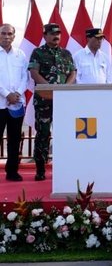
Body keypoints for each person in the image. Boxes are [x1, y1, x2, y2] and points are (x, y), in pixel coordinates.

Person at [29, 23, 76, 181]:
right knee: (43, 134)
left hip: (63, 101)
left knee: (65, 134)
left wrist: (66, 88)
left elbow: (73, 72)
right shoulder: (38, 53)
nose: (56, 36)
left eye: (58, 33)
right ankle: (40, 169)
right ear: (45, 36)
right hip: (44, 101)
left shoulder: (66, 54)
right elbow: (34, 73)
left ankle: (65, 167)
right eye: (52, 33)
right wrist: (49, 89)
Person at [0, 24, 28, 181]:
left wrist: (17, 93)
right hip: (0, 103)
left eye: (9, 33)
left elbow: (25, 77)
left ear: (14, 36)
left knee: (15, 138)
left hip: (16, 103)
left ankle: (12, 171)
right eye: (3, 33)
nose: (6, 36)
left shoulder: (20, 54)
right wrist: (7, 94)